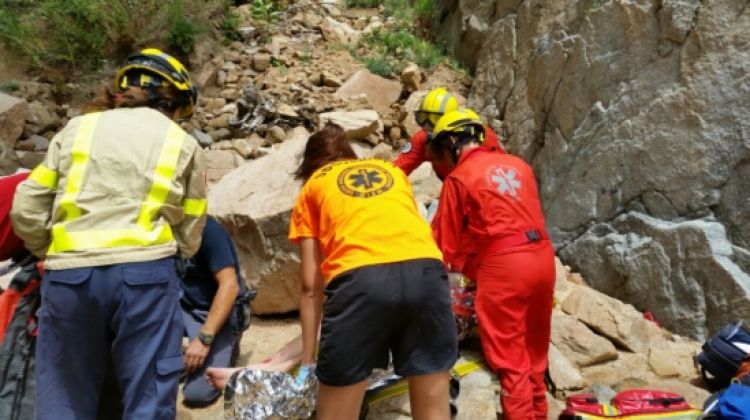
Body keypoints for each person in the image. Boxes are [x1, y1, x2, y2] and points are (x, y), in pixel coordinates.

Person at [10, 48, 206, 420]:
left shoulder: (76, 129)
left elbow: (26, 205)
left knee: (64, 395)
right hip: (145, 276)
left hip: (70, 276)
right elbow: (192, 223)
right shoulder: (183, 142)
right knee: (147, 397)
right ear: (171, 100)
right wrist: (177, 255)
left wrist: (47, 250)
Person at [289, 123, 456, 420]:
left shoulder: (314, 186)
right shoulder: (390, 172)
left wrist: (307, 360)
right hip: (428, 274)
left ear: (310, 165)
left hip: (361, 281)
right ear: (350, 155)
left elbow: (310, 287)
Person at [429, 109, 555, 420]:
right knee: (535, 356)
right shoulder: (520, 166)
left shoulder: (459, 178)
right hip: (542, 259)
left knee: (510, 362)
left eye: (442, 150)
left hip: (504, 268)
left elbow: (441, 245)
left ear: (453, 141)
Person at [179, 216, 254, 407]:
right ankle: (180, 362)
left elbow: (230, 287)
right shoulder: (163, 228)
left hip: (215, 312)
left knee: (197, 393)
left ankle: (229, 345)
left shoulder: (210, 232)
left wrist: (204, 340)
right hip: (182, 305)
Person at [394, 87, 504, 180]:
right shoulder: (423, 139)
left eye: (435, 119)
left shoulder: (483, 137)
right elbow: (398, 170)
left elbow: (501, 173)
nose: (428, 125)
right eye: (423, 117)